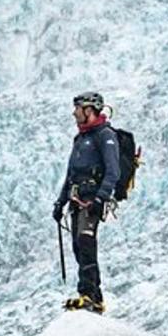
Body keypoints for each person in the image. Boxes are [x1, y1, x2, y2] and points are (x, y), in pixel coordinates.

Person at [53, 91, 120, 313]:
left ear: (89, 110)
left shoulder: (105, 135)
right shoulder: (81, 138)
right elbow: (70, 174)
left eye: (78, 109)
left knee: (86, 242)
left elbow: (113, 171)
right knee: (78, 247)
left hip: (92, 200)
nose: (74, 113)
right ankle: (93, 296)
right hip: (76, 199)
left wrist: (101, 198)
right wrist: (60, 202)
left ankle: (90, 295)